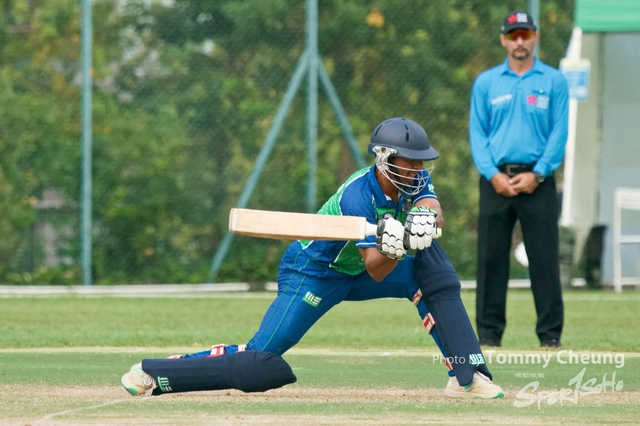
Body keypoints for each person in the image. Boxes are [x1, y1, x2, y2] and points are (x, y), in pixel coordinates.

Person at [121, 117, 504, 399]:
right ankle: (156, 373)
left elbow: (433, 210)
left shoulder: (414, 179)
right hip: (314, 271)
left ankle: (466, 376)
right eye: (411, 161)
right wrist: (400, 244)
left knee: (433, 267)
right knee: (260, 358)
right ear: (386, 158)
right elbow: (376, 268)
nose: (419, 169)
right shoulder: (357, 196)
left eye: (422, 162)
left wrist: (424, 221)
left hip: (359, 270)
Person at [468, 11, 569, 348]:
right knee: (491, 259)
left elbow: (559, 133)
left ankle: (550, 335)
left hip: (538, 181)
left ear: (535, 37)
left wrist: (538, 173)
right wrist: (493, 175)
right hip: (496, 180)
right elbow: (478, 134)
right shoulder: (486, 82)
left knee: (544, 258)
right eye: (513, 35)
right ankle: (488, 334)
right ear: (504, 40)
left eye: (525, 34)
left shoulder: (554, 81)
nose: (520, 41)